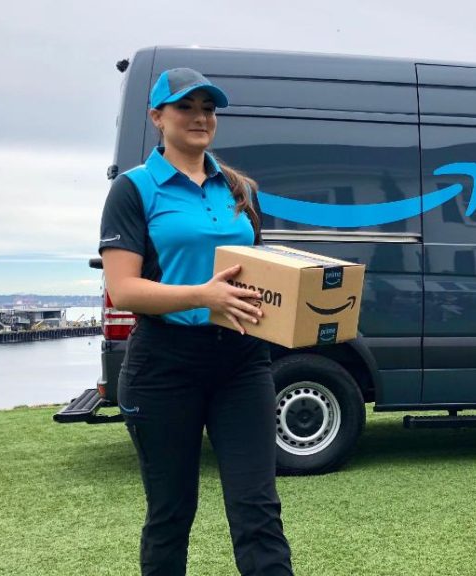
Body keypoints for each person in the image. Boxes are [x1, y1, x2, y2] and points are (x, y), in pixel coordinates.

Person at [98, 67, 294, 576]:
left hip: (242, 361)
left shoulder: (239, 188)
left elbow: (254, 270)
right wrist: (203, 296)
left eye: (208, 108)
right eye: (185, 107)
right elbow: (124, 289)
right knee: (171, 513)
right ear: (157, 117)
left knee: (258, 511)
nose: (200, 117)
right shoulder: (134, 189)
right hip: (164, 364)